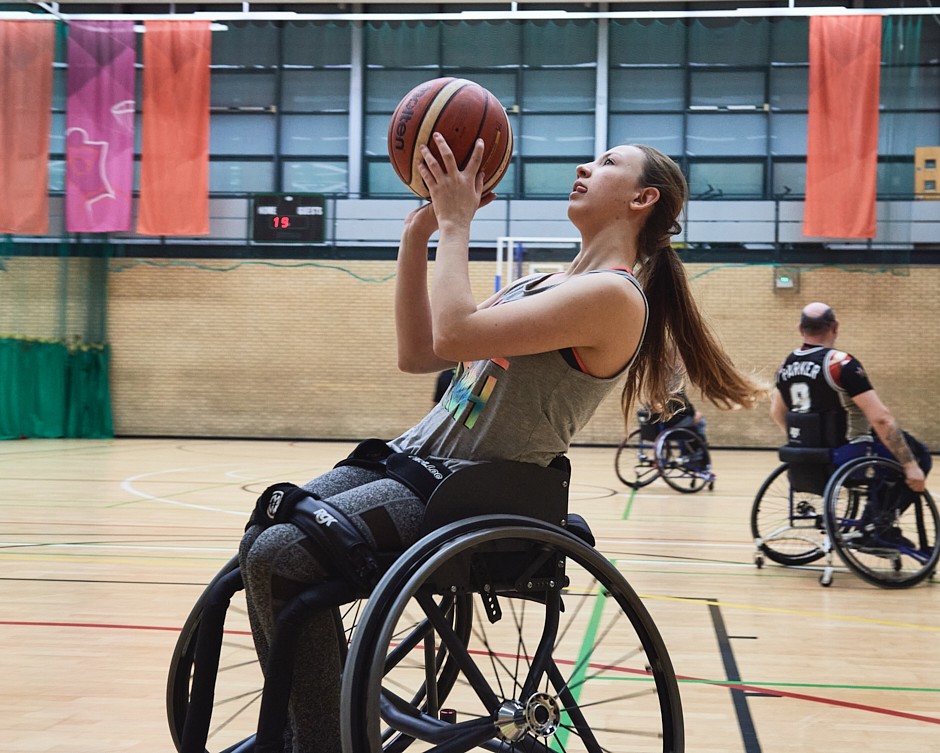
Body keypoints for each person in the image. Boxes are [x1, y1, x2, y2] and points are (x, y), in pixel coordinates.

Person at [239, 137, 764, 753]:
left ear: (642, 199)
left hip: (471, 489)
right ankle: (316, 722)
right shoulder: (542, 283)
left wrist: (458, 222)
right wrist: (418, 236)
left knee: (281, 554)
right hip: (413, 463)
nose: (583, 168)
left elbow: (457, 331)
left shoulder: (614, 296)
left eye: (606, 164)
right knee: (263, 537)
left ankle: (321, 739)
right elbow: (420, 351)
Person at [769, 302, 928, 492]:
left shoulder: (785, 366)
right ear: (835, 327)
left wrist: (802, 442)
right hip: (847, 452)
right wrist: (910, 466)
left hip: (804, 454)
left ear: (800, 329)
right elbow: (881, 418)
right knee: (919, 455)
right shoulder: (840, 364)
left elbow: (777, 411)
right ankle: (876, 518)